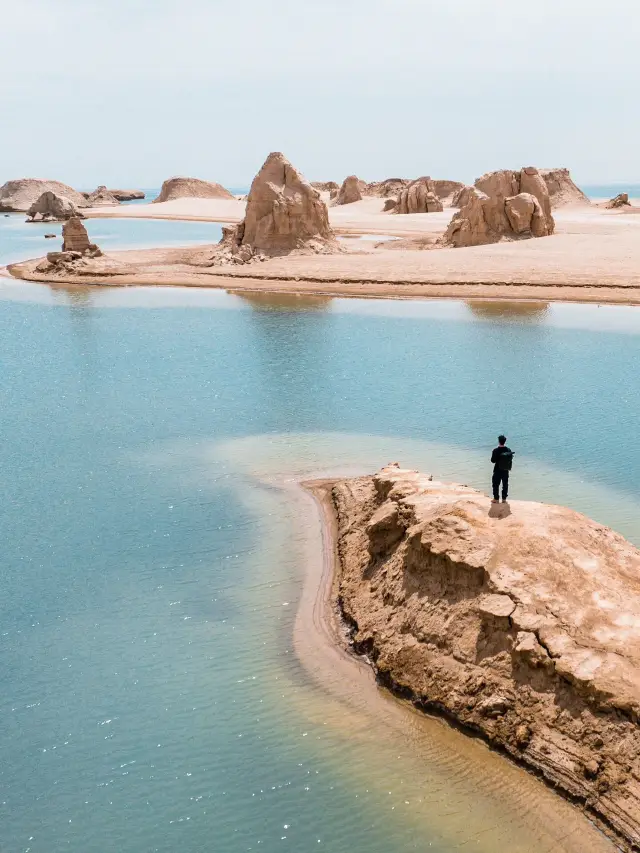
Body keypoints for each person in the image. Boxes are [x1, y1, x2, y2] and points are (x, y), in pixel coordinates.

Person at [491, 435, 514, 502]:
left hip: (497, 470)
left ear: (499, 441)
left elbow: (492, 461)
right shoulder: (508, 450)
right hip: (505, 470)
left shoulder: (495, 450)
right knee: (505, 484)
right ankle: (504, 499)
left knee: (495, 484)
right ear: (505, 441)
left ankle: (496, 498)